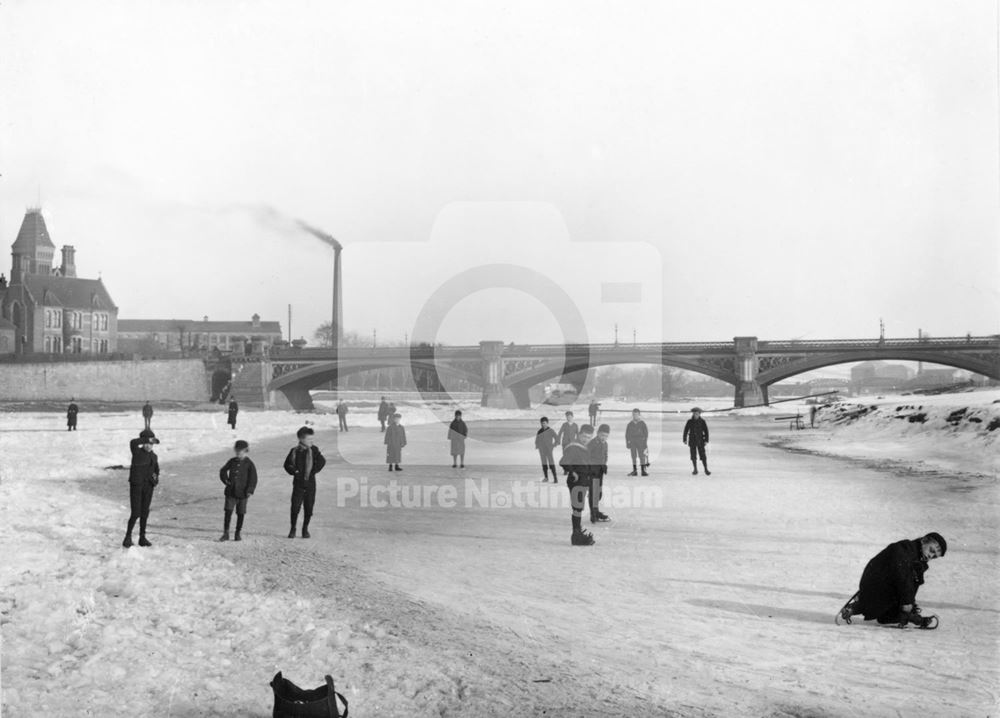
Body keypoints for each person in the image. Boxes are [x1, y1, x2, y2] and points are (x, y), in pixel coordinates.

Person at [840, 533, 947, 627]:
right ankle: (860, 605)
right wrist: (907, 603)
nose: (930, 556)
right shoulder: (905, 548)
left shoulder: (918, 560)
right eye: (931, 550)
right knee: (908, 578)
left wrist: (909, 604)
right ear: (923, 540)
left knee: (913, 578)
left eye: (934, 557)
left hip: (883, 589)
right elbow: (902, 576)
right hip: (875, 585)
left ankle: (896, 614)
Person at [283, 426, 326, 539]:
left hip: (310, 484)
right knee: (295, 507)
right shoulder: (295, 451)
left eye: (312, 439)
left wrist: (313, 470)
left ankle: (305, 528)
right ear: (301, 439)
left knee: (309, 507)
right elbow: (287, 464)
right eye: (309, 439)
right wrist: (295, 472)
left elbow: (322, 461)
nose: (311, 441)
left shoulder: (314, 450)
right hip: (298, 484)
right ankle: (293, 528)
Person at [123, 429, 160, 548]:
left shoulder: (154, 456)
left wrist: (154, 480)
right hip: (136, 486)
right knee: (136, 513)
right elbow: (133, 442)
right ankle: (127, 537)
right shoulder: (137, 452)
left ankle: (142, 538)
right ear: (143, 443)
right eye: (147, 443)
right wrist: (146, 439)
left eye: (151, 444)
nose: (149, 446)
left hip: (148, 487)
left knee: (145, 512)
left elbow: (156, 471)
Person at [560, 424, 596, 546]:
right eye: (584, 436)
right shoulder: (573, 447)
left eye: (589, 437)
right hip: (576, 482)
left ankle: (577, 532)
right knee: (577, 507)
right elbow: (563, 462)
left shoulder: (585, 447)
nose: (586, 439)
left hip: (583, 481)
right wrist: (572, 472)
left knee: (579, 507)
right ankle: (575, 535)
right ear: (579, 434)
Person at [218, 439, 258, 541]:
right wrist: (226, 481)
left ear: (246, 451)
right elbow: (223, 471)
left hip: (243, 494)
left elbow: (253, 478)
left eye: (240, 451)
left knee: (240, 513)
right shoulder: (232, 461)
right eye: (237, 451)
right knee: (228, 512)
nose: (238, 453)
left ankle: (237, 533)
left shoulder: (249, 463)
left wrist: (249, 490)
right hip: (231, 492)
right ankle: (226, 533)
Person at [588, 424, 611, 523]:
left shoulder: (605, 444)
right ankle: (593, 514)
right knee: (594, 493)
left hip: (600, 471)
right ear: (598, 434)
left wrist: (604, 464)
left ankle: (596, 511)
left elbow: (605, 455)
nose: (604, 438)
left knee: (598, 493)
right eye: (602, 435)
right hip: (592, 471)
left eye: (606, 436)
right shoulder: (592, 443)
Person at [682, 407, 710, 475]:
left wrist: (706, 440)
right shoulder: (689, 421)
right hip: (692, 440)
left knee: (703, 455)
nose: (695, 415)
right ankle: (695, 469)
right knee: (693, 455)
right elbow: (686, 430)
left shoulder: (702, 421)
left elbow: (706, 431)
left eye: (697, 413)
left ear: (699, 414)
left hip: (700, 440)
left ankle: (706, 469)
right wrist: (684, 439)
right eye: (694, 413)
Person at [625, 409, 649, 476]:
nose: (635, 416)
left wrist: (645, 442)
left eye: (636, 415)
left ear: (639, 415)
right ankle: (634, 470)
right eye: (634, 415)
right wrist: (627, 443)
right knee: (633, 456)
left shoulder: (642, 423)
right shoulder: (630, 424)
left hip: (641, 441)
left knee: (642, 456)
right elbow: (627, 435)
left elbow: (646, 434)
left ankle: (643, 471)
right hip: (632, 442)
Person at [535, 416, 559, 482]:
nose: (543, 425)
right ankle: (546, 477)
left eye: (544, 423)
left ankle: (555, 478)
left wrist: (554, 445)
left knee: (551, 463)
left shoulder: (551, 430)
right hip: (542, 450)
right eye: (542, 423)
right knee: (544, 464)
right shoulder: (539, 431)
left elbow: (557, 438)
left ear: (547, 423)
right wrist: (538, 446)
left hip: (549, 450)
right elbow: (537, 440)